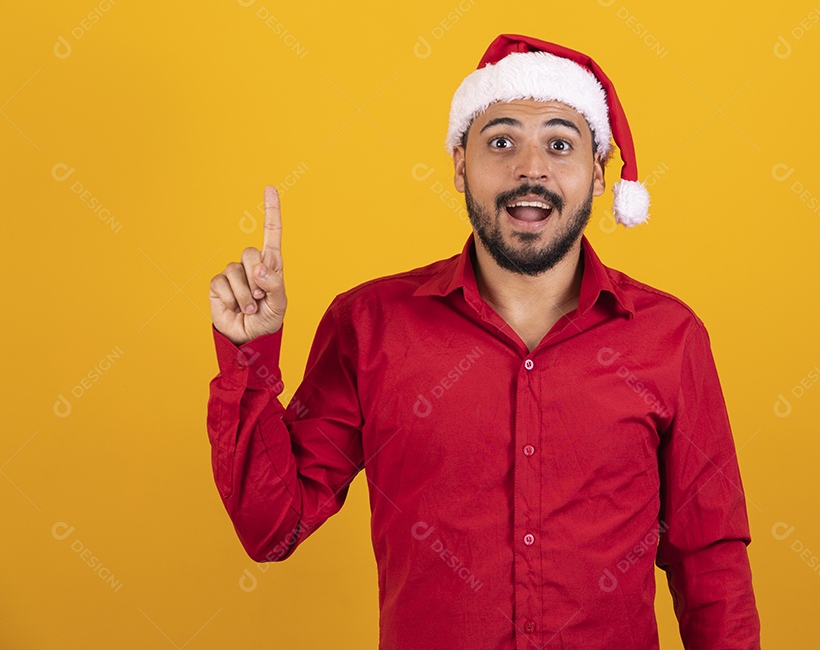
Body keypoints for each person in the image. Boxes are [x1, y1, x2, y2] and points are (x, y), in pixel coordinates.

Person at [206, 33, 761, 649]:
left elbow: (710, 559)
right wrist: (248, 356)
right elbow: (273, 528)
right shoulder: (368, 326)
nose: (531, 168)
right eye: (501, 142)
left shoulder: (670, 337)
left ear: (600, 174)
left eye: (559, 143)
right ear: (460, 164)